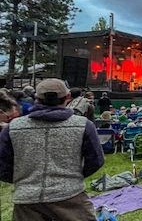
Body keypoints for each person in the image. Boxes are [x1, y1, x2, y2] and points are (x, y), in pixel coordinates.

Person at [0, 78, 104, 220]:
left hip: (27, 202)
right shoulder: (84, 125)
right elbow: (96, 161)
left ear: (36, 97)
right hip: (71, 198)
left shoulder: (13, 127)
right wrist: (73, 178)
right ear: (67, 97)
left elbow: (2, 166)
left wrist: (25, 181)